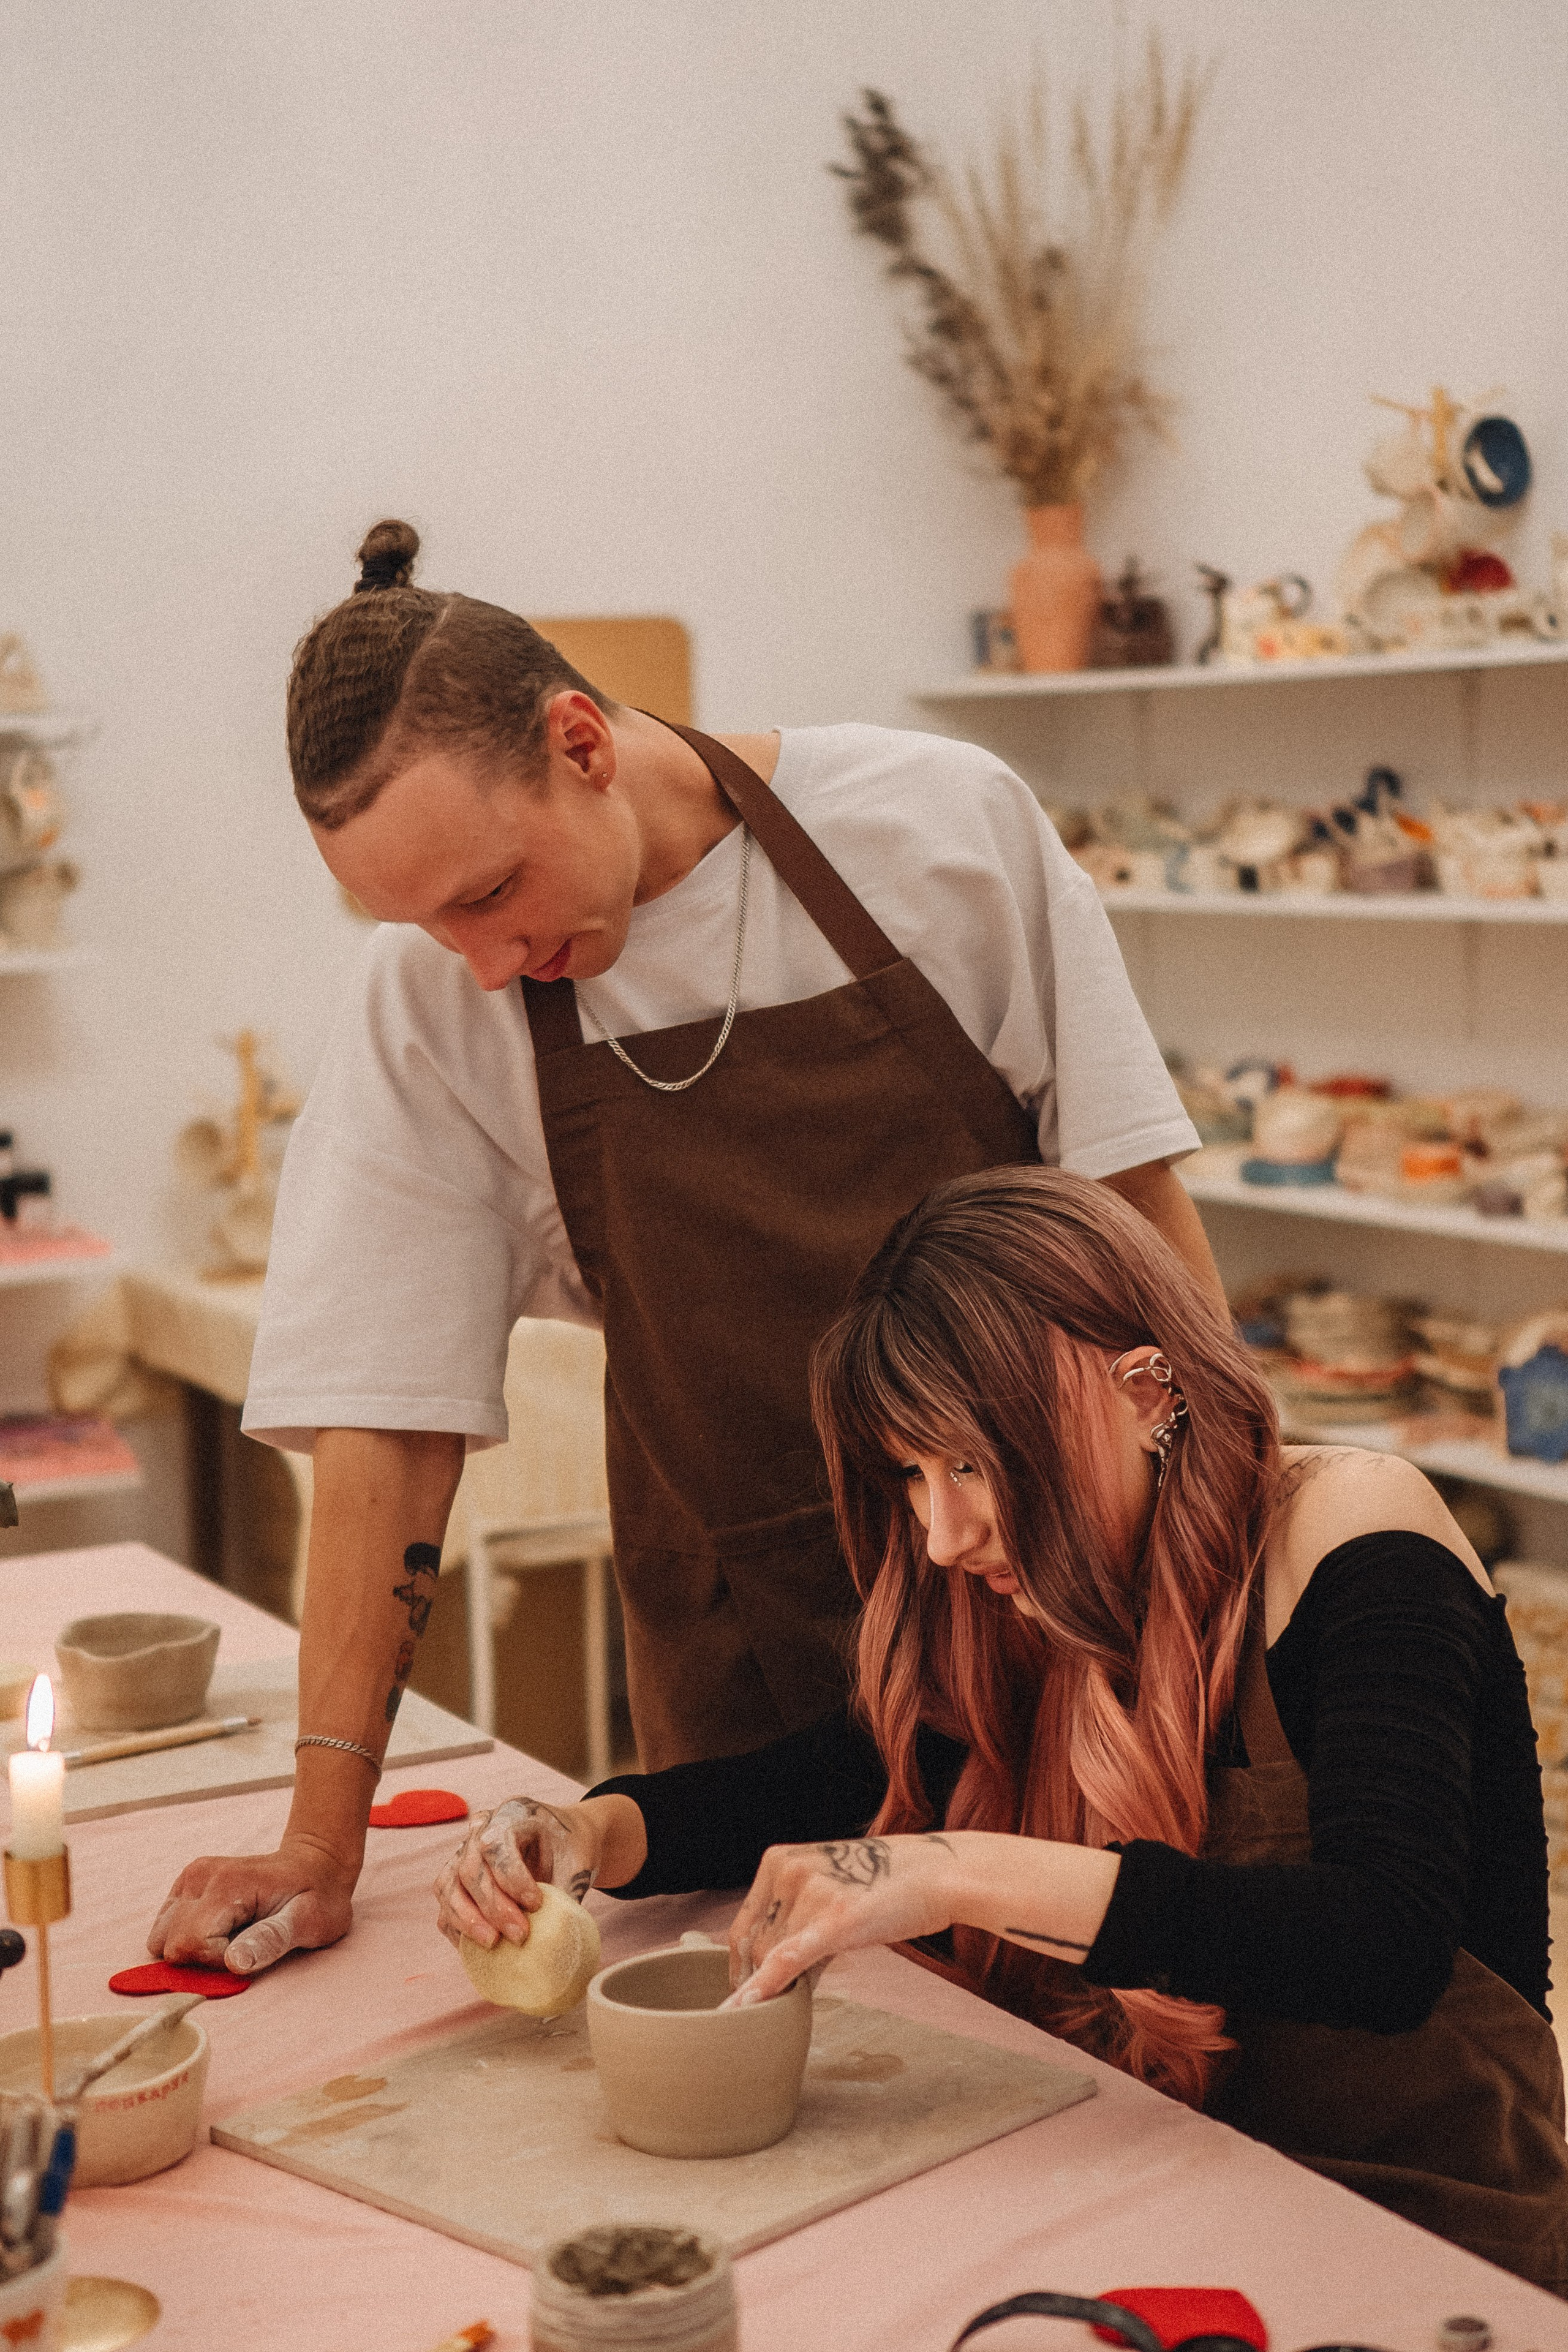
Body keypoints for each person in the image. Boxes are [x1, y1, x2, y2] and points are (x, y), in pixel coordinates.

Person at [149, 519, 1214, 1978]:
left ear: (579, 740)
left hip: (1059, 1600)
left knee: (1129, 2054)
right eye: (417, 923)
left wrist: (1232, 1600)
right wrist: (320, 1843)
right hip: (756, 1671)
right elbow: (387, 1432)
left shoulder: (936, 829)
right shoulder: (433, 1011)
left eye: (484, 893)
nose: (473, 960)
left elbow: (1138, 1223)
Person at [434, 1167, 1568, 2292]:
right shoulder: (1032, 1586)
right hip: (1177, 2176)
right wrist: (585, 1834)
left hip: (1419, 2230)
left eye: (973, 1462)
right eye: (915, 1474)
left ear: (1148, 1390)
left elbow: (1383, 1942)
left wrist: (960, 1870)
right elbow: (827, 1780)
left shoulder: (1353, 1536)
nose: (941, 1534)